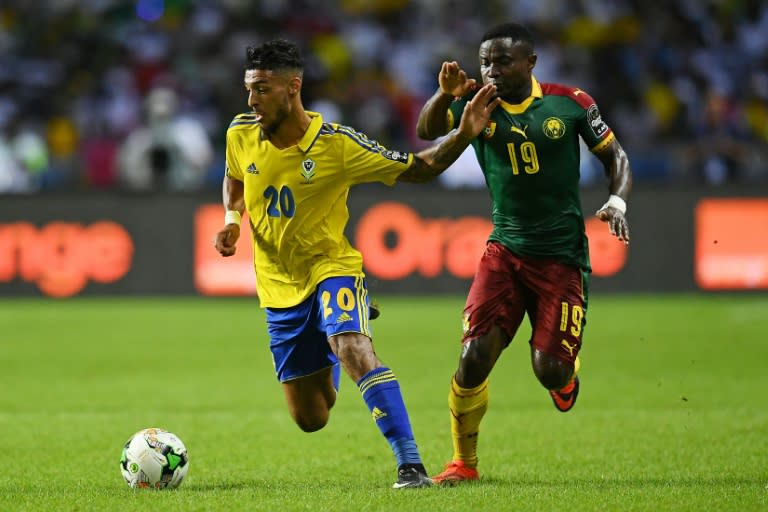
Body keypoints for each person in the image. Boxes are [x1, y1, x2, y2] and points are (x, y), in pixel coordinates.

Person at [213, 39, 499, 489]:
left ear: (293, 87)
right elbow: (233, 173)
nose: (252, 100)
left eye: (262, 89)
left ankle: (410, 465)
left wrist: (463, 133)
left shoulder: (338, 146)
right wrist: (232, 218)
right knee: (312, 418)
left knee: (353, 347)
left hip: (332, 267)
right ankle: (331, 337)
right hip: (278, 287)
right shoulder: (240, 131)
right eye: (249, 89)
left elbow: (419, 167)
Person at [415, 22, 633, 484]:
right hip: (505, 251)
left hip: (560, 256)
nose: (491, 70)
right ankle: (463, 464)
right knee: (473, 357)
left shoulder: (569, 103)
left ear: (530, 63)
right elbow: (425, 129)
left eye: (502, 61)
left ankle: (566, 371)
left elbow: (616, 156)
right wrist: (443, 95)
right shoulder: (476, 103)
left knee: (549, 371)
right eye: (485, 62)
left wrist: (616, 200)